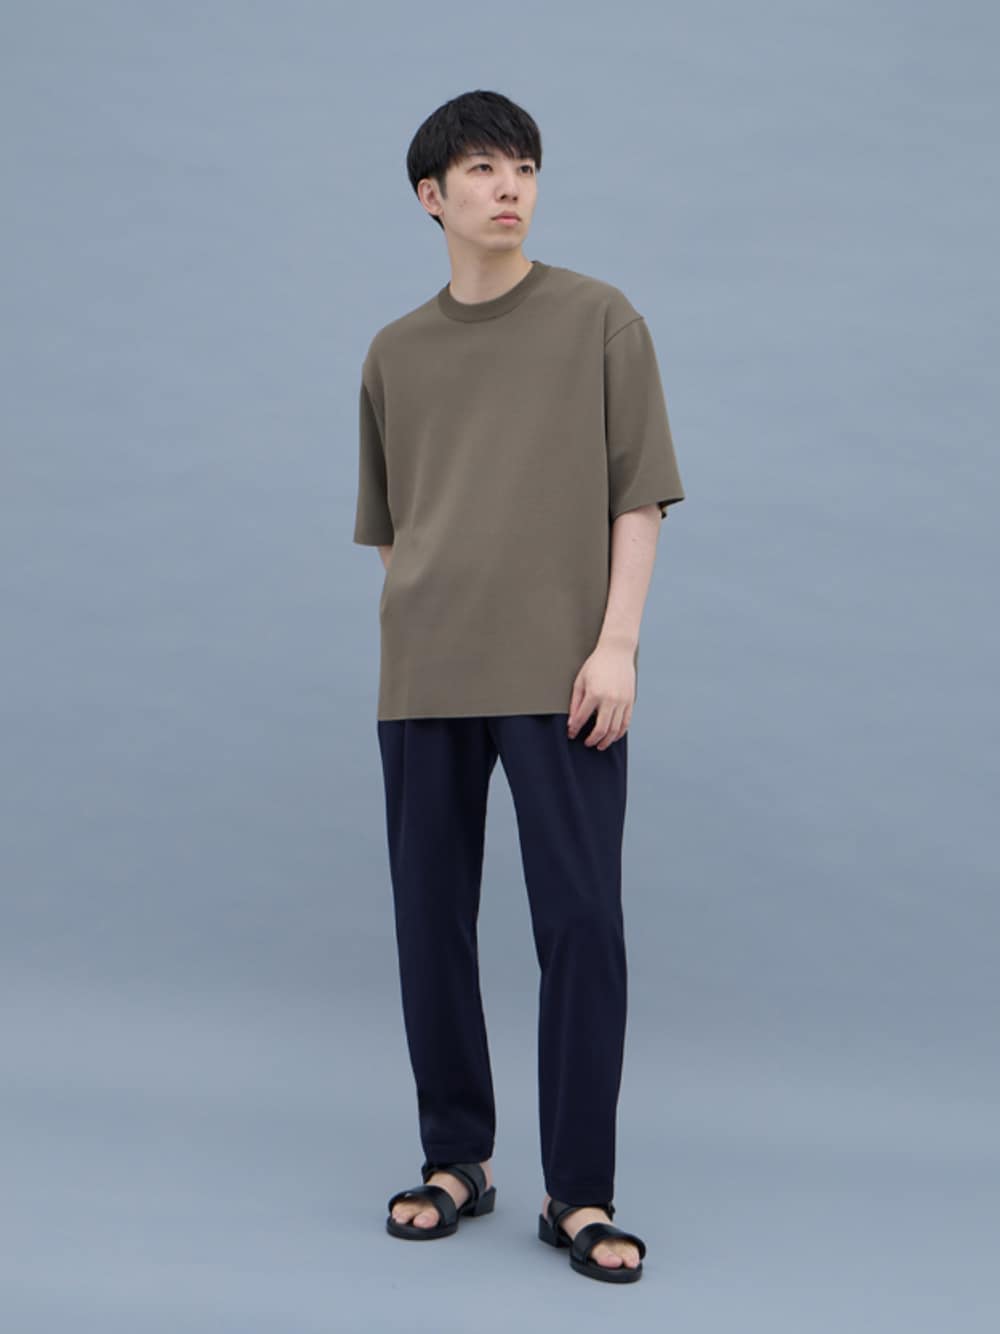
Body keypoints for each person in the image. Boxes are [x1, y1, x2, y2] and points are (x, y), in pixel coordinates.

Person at [352, 89, 685, 1284]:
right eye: (485, 168)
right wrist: (428, 623)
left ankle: (578, 1190)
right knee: (430, 921)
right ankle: (457, 1158)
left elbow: (637, 496)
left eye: (525, 167)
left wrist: (616, 645)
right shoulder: (394, 352)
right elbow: (395, 530)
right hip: (424, 676)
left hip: (563, 674)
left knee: (582, 923)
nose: (509, 188)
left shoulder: (600, 318)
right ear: (430, 195)